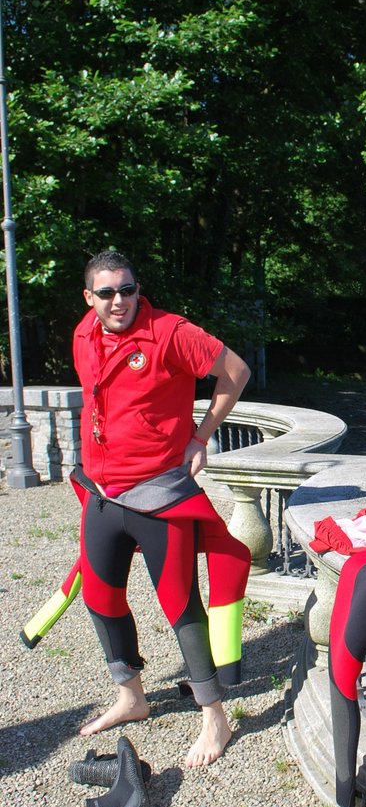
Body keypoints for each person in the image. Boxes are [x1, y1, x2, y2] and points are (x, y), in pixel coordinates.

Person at [71, 249, 252, 767]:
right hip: (102, 495)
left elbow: (234, 372)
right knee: (102, 598)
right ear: (90, 297)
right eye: (106, 292)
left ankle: (213, 714)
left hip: (158, 493)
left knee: (179, 604)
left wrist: (201, 437)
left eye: (127, 289)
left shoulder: (170, 332)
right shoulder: (85, 332)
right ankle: (131, 697)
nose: (119, 300)